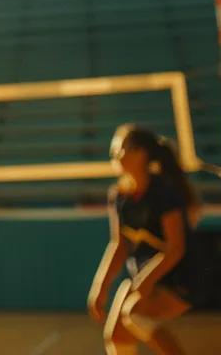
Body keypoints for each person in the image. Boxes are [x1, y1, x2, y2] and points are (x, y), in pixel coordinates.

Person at [88, 125, 203, 355]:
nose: (115, 155)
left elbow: (176, 248)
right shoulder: (120, 195)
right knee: (117, 334)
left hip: (182, 275)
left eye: (121, 148)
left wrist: (146, 281)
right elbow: (119, 245)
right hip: (146, 275)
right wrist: (100, 287)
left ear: (141, 153)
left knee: (136, 315)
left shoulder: (163, 191)